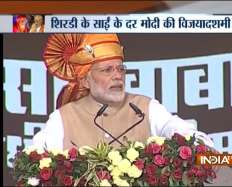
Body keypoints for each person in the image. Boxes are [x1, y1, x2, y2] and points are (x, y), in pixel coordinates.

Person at [33, 33, 214, 150]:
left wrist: (201, 147)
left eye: (120, 69)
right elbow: (36, 158)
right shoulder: (63, 117)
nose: (117, 76)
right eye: (107, 70)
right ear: (84, 80)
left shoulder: (145, 107)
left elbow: (175, 127)